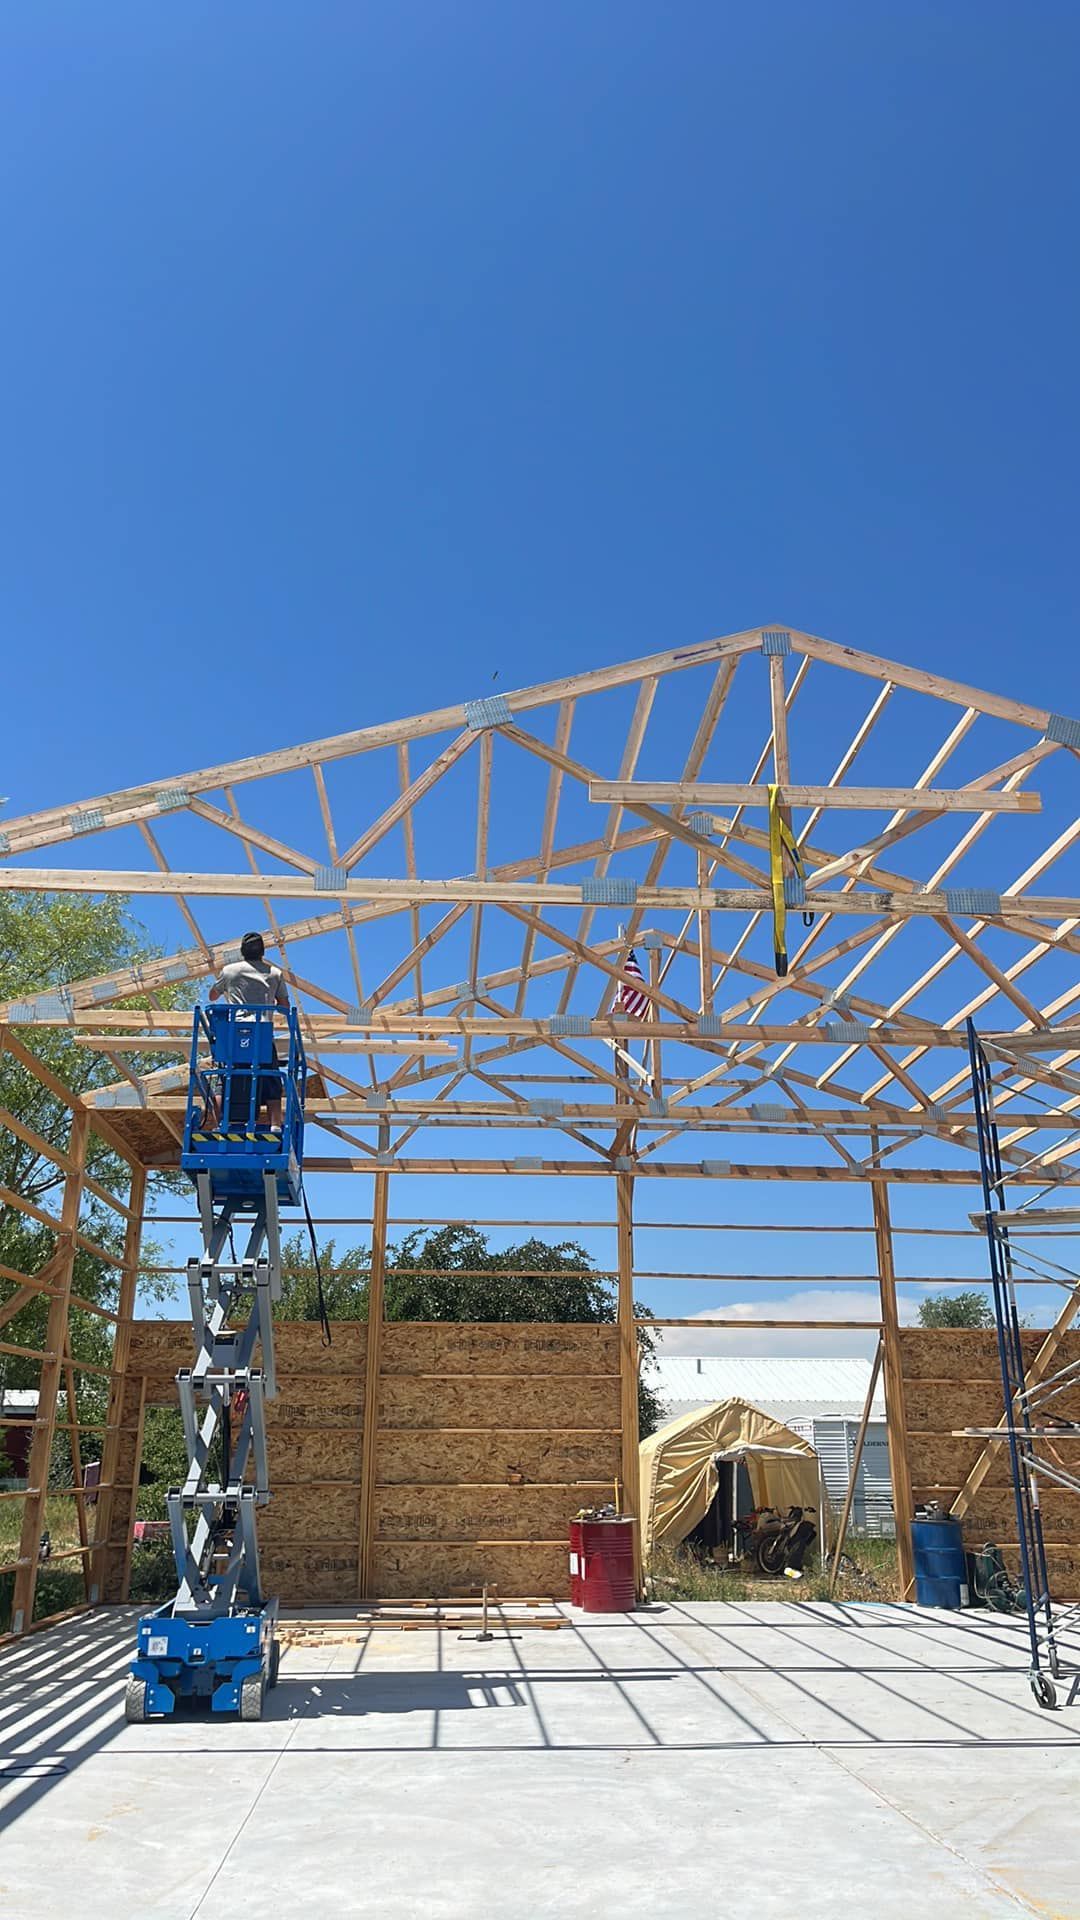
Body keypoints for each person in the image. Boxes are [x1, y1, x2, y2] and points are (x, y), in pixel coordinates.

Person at [208, 932, 290, 1129]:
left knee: (224, 1077)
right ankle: (275, 1124)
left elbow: (212, 996)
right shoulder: (274, 973)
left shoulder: (230, 971)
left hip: (234, 1034)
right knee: (271, 1078)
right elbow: (285, 1006)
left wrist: (230, 992)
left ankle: (218, 1123)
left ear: (242, 952)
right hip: (261, 1033)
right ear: (263, 951)